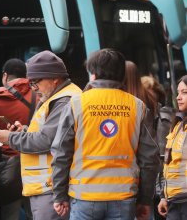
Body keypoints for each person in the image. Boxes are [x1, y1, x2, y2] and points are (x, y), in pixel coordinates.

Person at [51, 48, 159, 220]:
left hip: (84, 195)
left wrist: (59, 194)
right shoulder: (138, 107)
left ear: (93, 74)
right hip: (123, 197)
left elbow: (61, 154)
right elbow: (149, 159)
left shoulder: (76, 104)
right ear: (122, 75)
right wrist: (145, 199)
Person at [0, 50, 82, 220]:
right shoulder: (56, 97)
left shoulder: (64, 100)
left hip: (51, 188)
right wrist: (24, 131)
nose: (33, 88)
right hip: (48, 187)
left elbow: (45, 140)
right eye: (31, 83)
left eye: (36, 82)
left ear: (54, 78)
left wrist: (7, 137)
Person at [0, 58, 37, 220]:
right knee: (35, 212)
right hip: (35, 164)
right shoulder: (38, 96)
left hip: (9, 169)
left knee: (10, 214)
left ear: (5, 76)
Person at [142, 75, 174, 220]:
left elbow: (164, 157)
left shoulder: (165, 118)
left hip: (162, 188)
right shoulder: (140, 117)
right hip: (152, 188)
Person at [157, 75, 187, 220]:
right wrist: (163, 196)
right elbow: (168, 162)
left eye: (185, 93)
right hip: (174, 201)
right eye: (178, 93)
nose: (179, 97)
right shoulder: (176, 126)